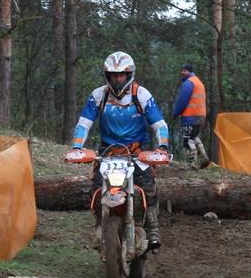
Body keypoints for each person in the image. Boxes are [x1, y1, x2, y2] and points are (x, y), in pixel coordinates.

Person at [71, 51, 170, 250]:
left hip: (137, 151)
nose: (118, 79)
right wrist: (77, 147)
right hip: (107, 151)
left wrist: (162, 147)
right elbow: (84, 123)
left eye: (121, 75)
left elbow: (159, 124)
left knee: (148, 187)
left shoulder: (141, 94)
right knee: (97, 189)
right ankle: (100, 225)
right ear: (107, 75)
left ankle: (152, 227)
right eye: (114, 75)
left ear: (129, 74)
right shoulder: (98, 95)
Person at [171, 63, 210, 169]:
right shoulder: (199, 82)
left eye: (184, 70)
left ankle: (192, 164)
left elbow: (182, 101)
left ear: (189, 71)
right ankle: (204, 157)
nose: (182, 72)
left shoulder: (189, 83)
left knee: (187, 140)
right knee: (194, 137)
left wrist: (175, 113)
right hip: (201, 115)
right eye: (182, 70)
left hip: (191, 116)